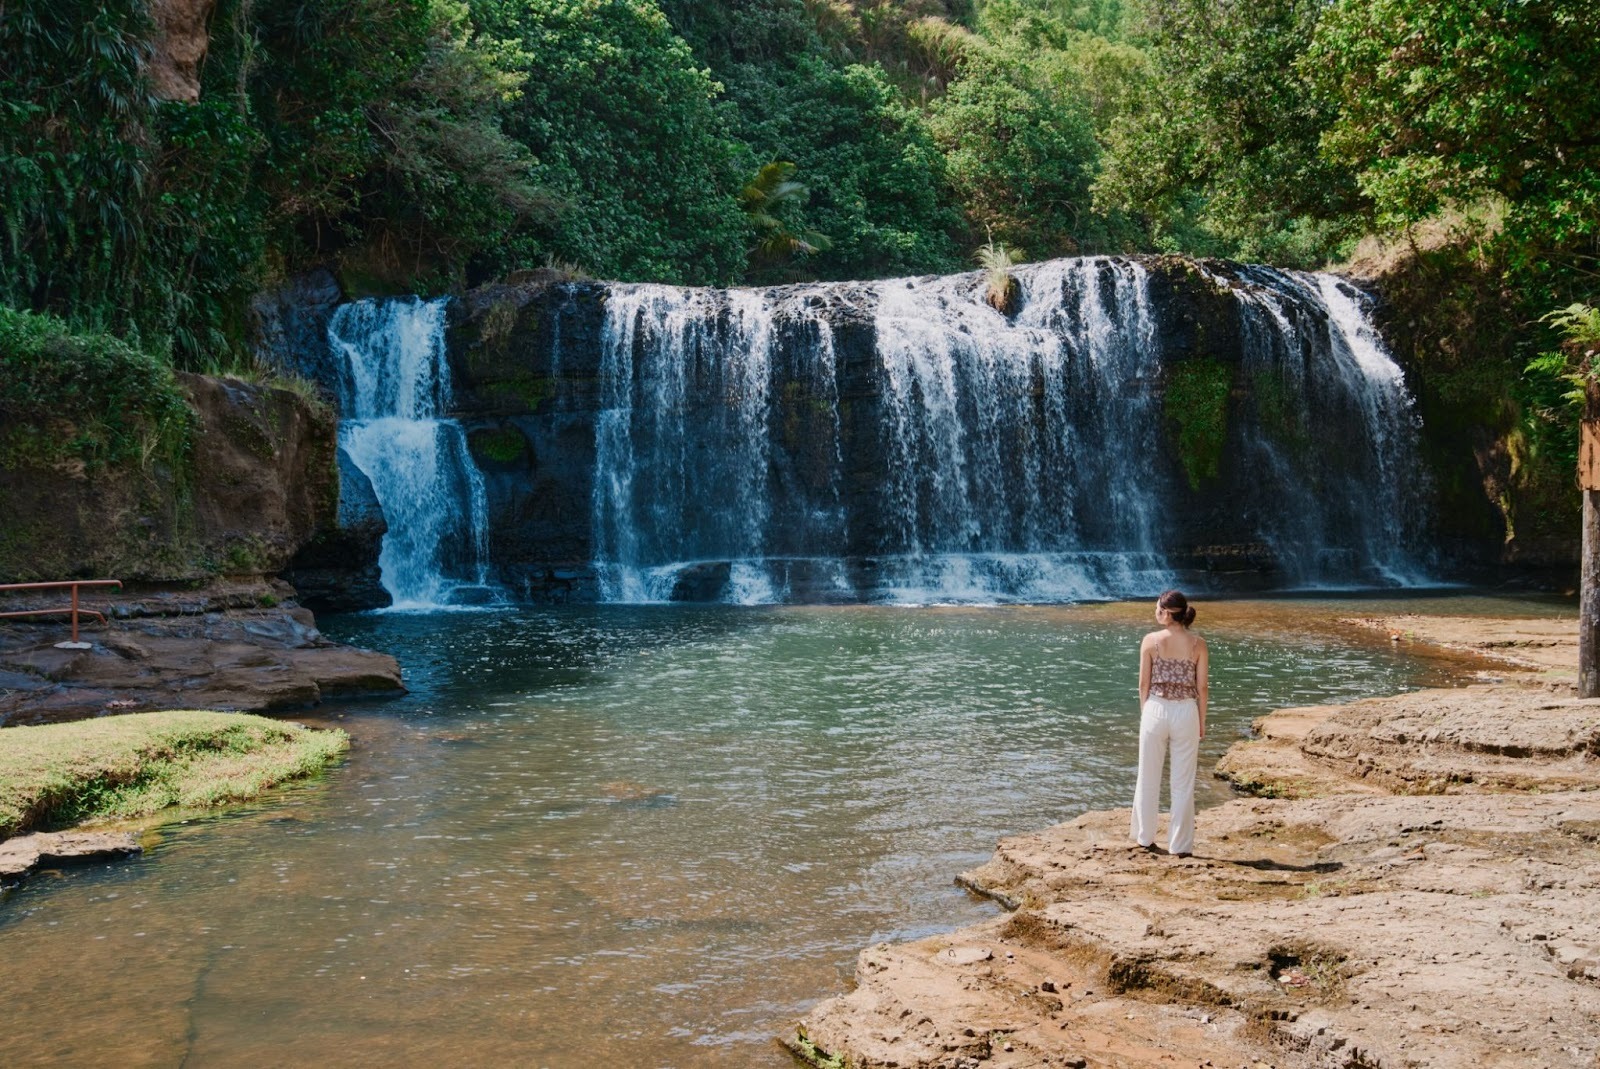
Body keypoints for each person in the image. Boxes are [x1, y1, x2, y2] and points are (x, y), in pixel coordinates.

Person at [1131, 589, 1208, 857]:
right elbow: (1203, 687)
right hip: (1187, 710)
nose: (1155, 613)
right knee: (1183, 782)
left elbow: (1143, 684)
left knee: (1148, 776)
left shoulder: (1150, 641)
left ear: (1165, 613)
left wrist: (1146, 712)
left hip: (1155, 708)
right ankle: (1180, 846)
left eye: (1157, 609)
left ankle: (1144, 837)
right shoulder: (1198, 644)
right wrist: (1202, 720)